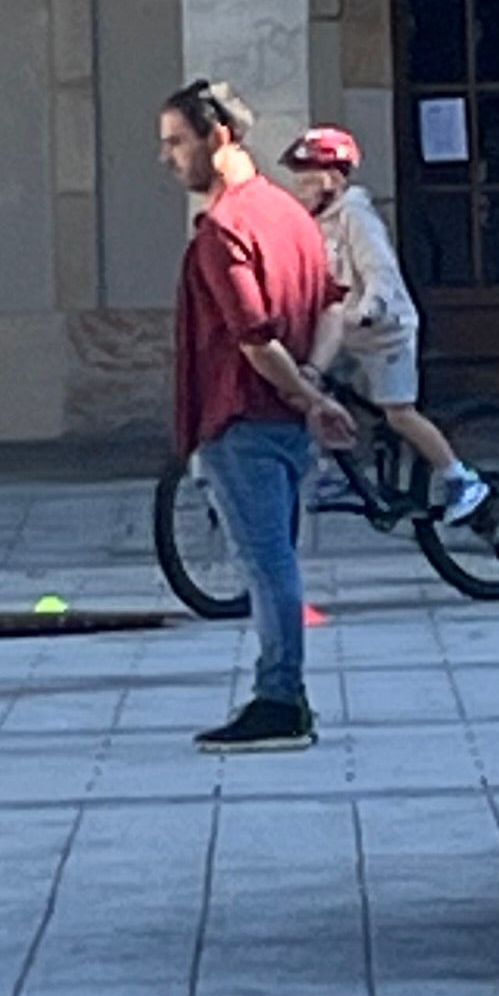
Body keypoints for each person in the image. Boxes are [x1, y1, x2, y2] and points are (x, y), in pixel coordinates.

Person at [164, 80, 356, 752]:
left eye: (176, 142)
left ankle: (280, 698)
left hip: (240, 416)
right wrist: (314, 382)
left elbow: (254, 338)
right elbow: (332, 304)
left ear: (218, 137)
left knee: (266, 563)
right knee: (277, 559)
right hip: (284, 424)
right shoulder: (289, 215)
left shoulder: (224, 230)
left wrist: (309, 396)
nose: (167, 158)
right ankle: (281, 694)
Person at [280, 125, 487, 523]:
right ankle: (334, 470)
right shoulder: (317, 222)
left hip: (386, 331)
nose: (300, 189)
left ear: (333, 180)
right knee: (311, 385)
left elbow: (380, 272)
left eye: (307, 180)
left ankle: (460, 478)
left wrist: (370, 309)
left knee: (398, 413)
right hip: (347, 332)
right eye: (298, 180)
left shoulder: (356, 216)